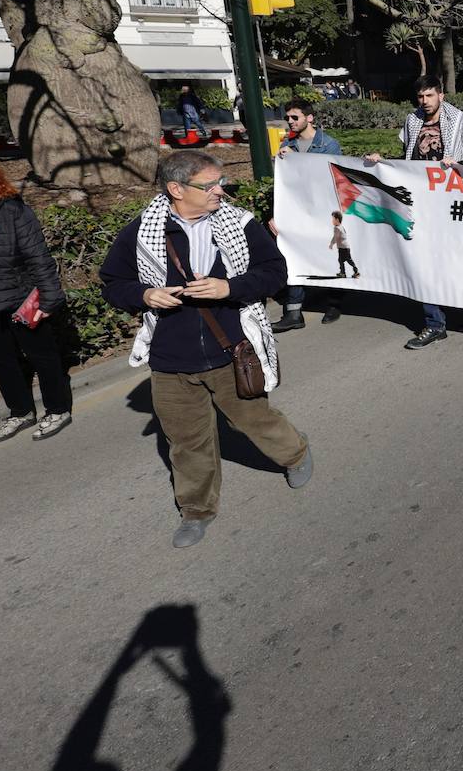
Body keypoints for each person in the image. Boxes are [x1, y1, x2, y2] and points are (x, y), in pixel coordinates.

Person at [99, 151, 312, 550]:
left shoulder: (240, 224)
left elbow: (275, 273)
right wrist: (145, 293)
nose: (220, 191)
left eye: (221, 183)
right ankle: (197, 511)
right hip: (170, 359)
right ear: (176, 189)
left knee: (254, 420)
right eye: (209, 185)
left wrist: (228, 288)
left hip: (231, 349)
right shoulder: (142, 231)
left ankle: (295, 454)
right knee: (186, 440)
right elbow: (112, 282)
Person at [364, 75, 463, 350]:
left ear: (441, 96)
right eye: (421, 97)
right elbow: (407, 162)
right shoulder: (412, 122)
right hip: (421, 205)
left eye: (430, 96)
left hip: (452, 205)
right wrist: (381, 162)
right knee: (425, 261)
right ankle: (434, 323)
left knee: (458, 260)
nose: (425, 102)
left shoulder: (460, 122)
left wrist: (459, 164)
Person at [0, 145, 72, 442]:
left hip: (20, 293)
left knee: (41, 354)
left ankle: (58, 408)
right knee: (0, 358)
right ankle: (20, 411)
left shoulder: (5, 206)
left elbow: (37, 254)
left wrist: (49, 297)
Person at [273, 98, 345, 332]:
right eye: (288, 118)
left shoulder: (328, 145)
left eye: (295, 117)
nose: (290, 122)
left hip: (323, 209)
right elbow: (283, 184)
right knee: (293, 254)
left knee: (329, 255)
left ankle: (334, 303)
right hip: (296, 210)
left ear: (309, 118)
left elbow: (332, 178)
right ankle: (293, 311)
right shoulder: (287, 144)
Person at [329, 211, 359, 278]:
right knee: (347, 260)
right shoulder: (341, 227)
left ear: (337, 220)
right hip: (346, 247)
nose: (332, 221)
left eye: (333, 219)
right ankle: (354, 271)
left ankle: (344, 273)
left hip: (342, 248)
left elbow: (335, 237)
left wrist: (331, 244)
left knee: (342, 260)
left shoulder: (336, 228)